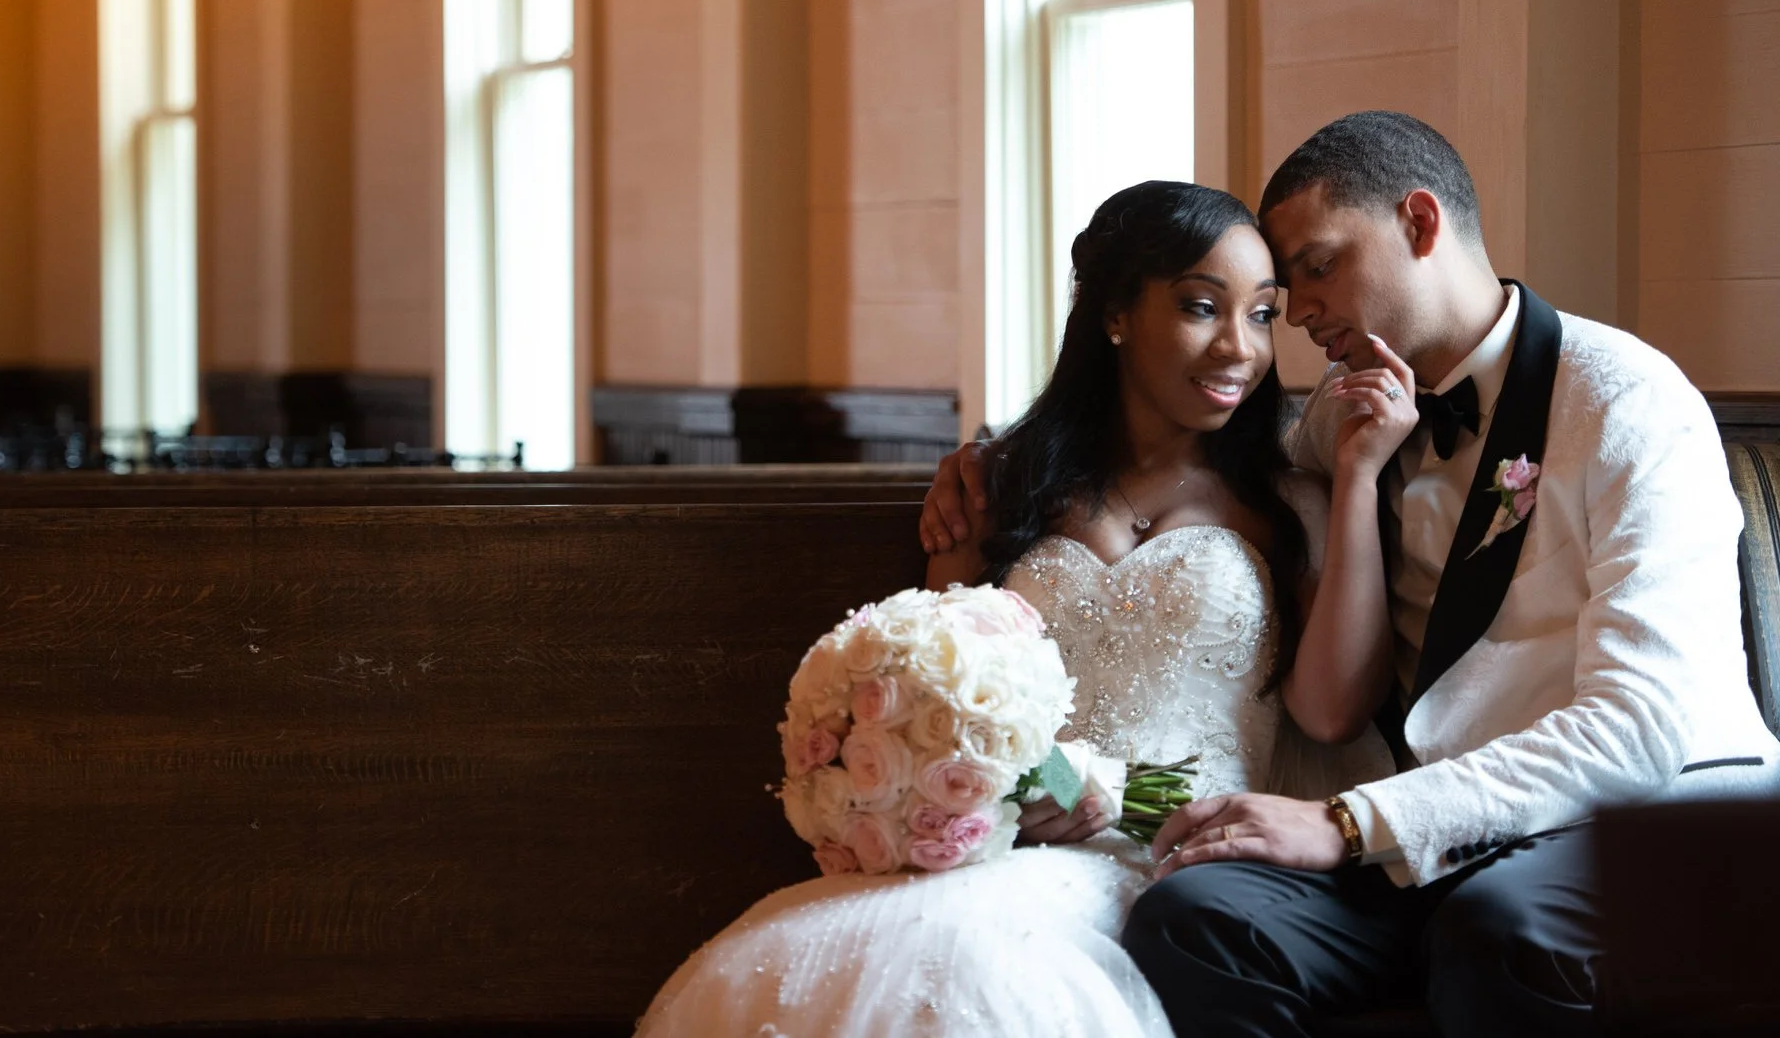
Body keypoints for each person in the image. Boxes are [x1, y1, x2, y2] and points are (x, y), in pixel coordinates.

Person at [922, 111, 1780, 1036]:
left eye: (1316, 267)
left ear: (1419, 223)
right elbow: (1193, 469)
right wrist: (988, 456)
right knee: (1198, 919)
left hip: (1640, 827)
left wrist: (1343, 822)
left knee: (1500, 934)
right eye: (1282, 289)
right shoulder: (1339, 413)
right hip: (1435, 840)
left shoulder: (1626, 398)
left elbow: (1639, 725)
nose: (1294, 314)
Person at [636, 180, 1391, 1038]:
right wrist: (1038, 786)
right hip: (1017, 845)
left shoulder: (1287, 502)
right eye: (1200, 306)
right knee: (824, 952)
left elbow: (1330, 712)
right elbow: (940, 704)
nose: (1238, 348)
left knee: (975, 961)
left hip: (1184, 864)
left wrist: (1360, 481)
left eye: (1261, 315)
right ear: (1114, 313)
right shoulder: (1001, 487)